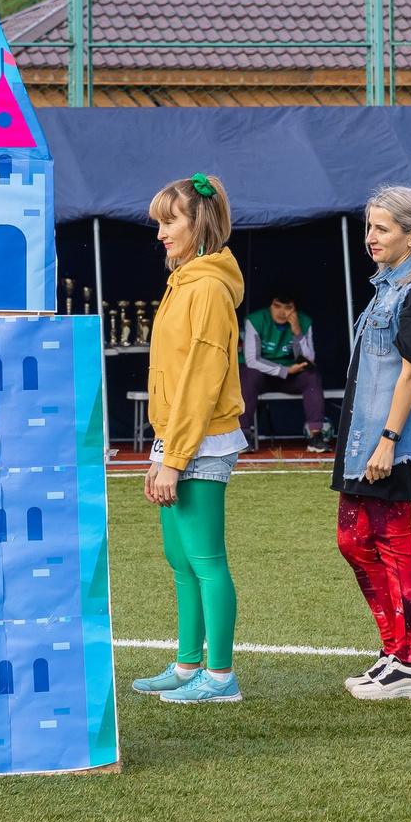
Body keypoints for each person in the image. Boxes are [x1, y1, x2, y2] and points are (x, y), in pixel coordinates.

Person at [329, 186, 411, 701]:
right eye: (368, 227)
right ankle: (392, 652)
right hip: (363, 442)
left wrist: (388, 441)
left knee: (392, 543)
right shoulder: (387, 288)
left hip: (390, 445)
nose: (371, 238)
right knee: (352, 541)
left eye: (382, 228)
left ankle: (410, 664)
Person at [131, 173, 248, 704]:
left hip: (200, 444)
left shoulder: (205, 288)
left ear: (199, 223)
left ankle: (220, 677)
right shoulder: (187, 283)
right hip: (179, 442)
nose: (160, 233)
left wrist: (172, 458)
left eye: (169, 221)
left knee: (205, 560)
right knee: (181, 561)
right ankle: (187, 665)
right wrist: (164, 452)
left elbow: (200, 381)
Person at [240, 288, 328, 447]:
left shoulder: (303, 321)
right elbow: (251, 360)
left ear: (295, 309)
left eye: (288, 308)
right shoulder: (255, 320)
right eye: (277, 306)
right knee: (249, 374)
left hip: (291, 377)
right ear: (270, 306)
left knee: (311, 374)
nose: (282, 312)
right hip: (263, 376)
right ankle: (243, 436)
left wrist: (297, 333)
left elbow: (308, 360)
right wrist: (284, 370)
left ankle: (316, 436)